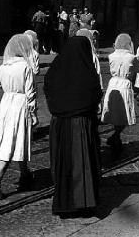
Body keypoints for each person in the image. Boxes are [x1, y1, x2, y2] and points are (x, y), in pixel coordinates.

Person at [44, 37, 103, 216]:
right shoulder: (87, 72)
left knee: (63, 164)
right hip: (82, 124)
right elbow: (95, 95)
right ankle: (84, 202)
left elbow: (48, 90)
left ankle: (64, 202)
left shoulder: (55, 69)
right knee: (82, 163)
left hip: (59, 125)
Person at [0, 34, 38, 199]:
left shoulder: (5, 66)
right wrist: (33, 112)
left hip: (6, 104)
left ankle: (25, 173)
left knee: (13, 139)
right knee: (14, 140)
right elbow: (31, 93)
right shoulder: (26, 67)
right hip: (20, 105)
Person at [101, 34, 139, 151]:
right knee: (124, 112)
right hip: (124, 83)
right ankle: (116, 136)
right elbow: (137, 70)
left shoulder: (111, 56)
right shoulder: (131, 57)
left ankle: (115, 136)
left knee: (115, 111)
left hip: (113, 83)